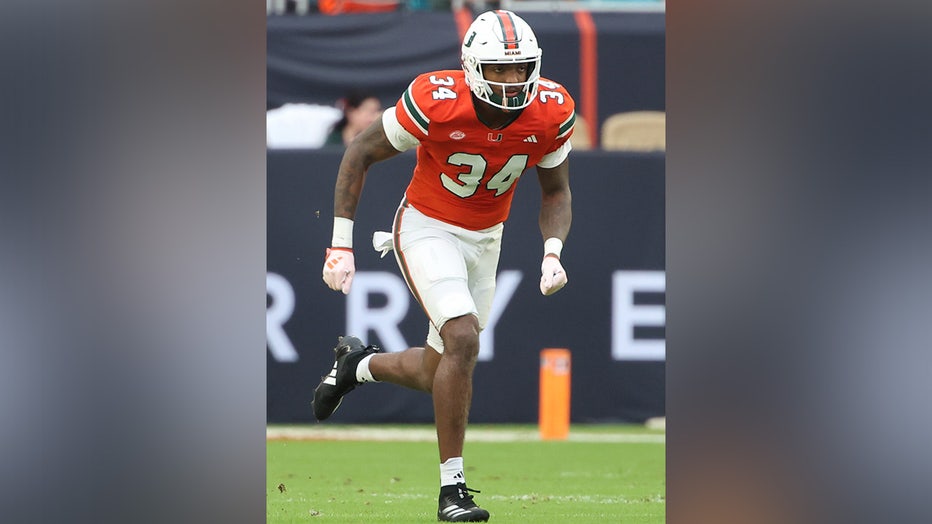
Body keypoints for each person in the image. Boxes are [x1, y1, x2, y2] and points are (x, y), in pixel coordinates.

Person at [314, 10, 575, 522]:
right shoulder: (437, 99)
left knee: (438, 369)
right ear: (472, 66)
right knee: (463, 338)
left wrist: (552, 250)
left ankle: (357, 367)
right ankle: (452, 490)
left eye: (520, 69)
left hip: (487, 238)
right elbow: (359, 152)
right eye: (498, 70)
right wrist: (340, 243)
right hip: (426, 226)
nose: (510, 81)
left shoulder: (551, 109)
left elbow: (556, 190)